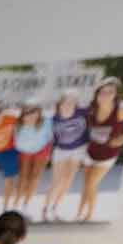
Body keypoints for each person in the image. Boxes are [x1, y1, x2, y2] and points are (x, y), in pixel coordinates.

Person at [78, 76, 123, 223]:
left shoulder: (121, 111)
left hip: (107, 156)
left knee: (91, 184)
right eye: (103, 91)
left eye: (110, 92)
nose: (106, 95)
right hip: (90, 153)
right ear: (96, 93)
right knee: (87, 184)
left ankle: (88, 216)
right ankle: (80, 213)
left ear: (115, 94)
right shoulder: (90, 109)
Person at [42, 91, 90, 222]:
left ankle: (55, 208)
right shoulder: (53, 116)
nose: (68, 105)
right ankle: (46, 209)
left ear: (76, 103)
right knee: (57, 181)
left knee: (68, 180)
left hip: (78, 150)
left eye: (72, 102)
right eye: (66, 102)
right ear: (60, 103)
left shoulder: (82, 112)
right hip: (61, 151)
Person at [14, 103, 52, 213]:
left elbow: (49, 138)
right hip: (25, 152)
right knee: (23, 177)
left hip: (41, 151)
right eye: (27, 112)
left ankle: (26, 204)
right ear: (23, 114)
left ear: (39, 112)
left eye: (33, 111)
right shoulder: (19, 124)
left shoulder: (46, 121)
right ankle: (16, 203)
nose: (31, 115)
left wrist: (47, 153)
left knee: (35, 177)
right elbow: (17, 142)